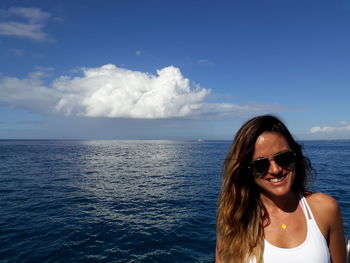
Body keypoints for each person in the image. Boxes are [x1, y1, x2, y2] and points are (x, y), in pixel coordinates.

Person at [216, 115, 346, 263]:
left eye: (284, 158)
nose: (276, 169)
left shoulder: (325, 209)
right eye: (261, 165)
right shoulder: (235, 218)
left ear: (295, 156)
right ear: (247, 171)